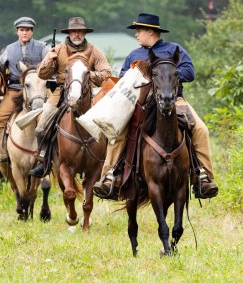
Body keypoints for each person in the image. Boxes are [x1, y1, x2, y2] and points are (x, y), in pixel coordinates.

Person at [93, 13, 219, 199]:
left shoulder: (174, 49)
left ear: (150, 32)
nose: (136, 35)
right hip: (139, 104)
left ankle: (204, 177)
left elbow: (189, 72)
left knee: (201, 130)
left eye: (139, 30)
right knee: (118, 133)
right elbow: (122, 78)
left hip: (174, 100)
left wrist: (165, 74)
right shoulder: (134, 55)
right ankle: (110, 177)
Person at [29, 17, 112, 177]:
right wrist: (48, 60)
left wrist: (87, 75)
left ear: (84, 32)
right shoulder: (58, 49)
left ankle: (109, 164)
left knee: (108, 122)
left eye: (80, 31)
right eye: (74, 31)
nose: (77, 34)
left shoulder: (94, 50)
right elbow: (41, 74)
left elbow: (106, 73)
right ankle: (43, 159)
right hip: (61, 90)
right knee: (42, 125)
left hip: (88, 91)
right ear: (69, 32)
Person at [0, 16, 49, 178]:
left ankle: (47, 156)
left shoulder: (42, 47)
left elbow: (50, 64)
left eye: (27, 30)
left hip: (38, 90)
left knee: (51, 119)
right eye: (21, 30)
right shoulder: (9, 50)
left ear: (32, 32)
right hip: (15, 90)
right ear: (17, 31)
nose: (24, 32)